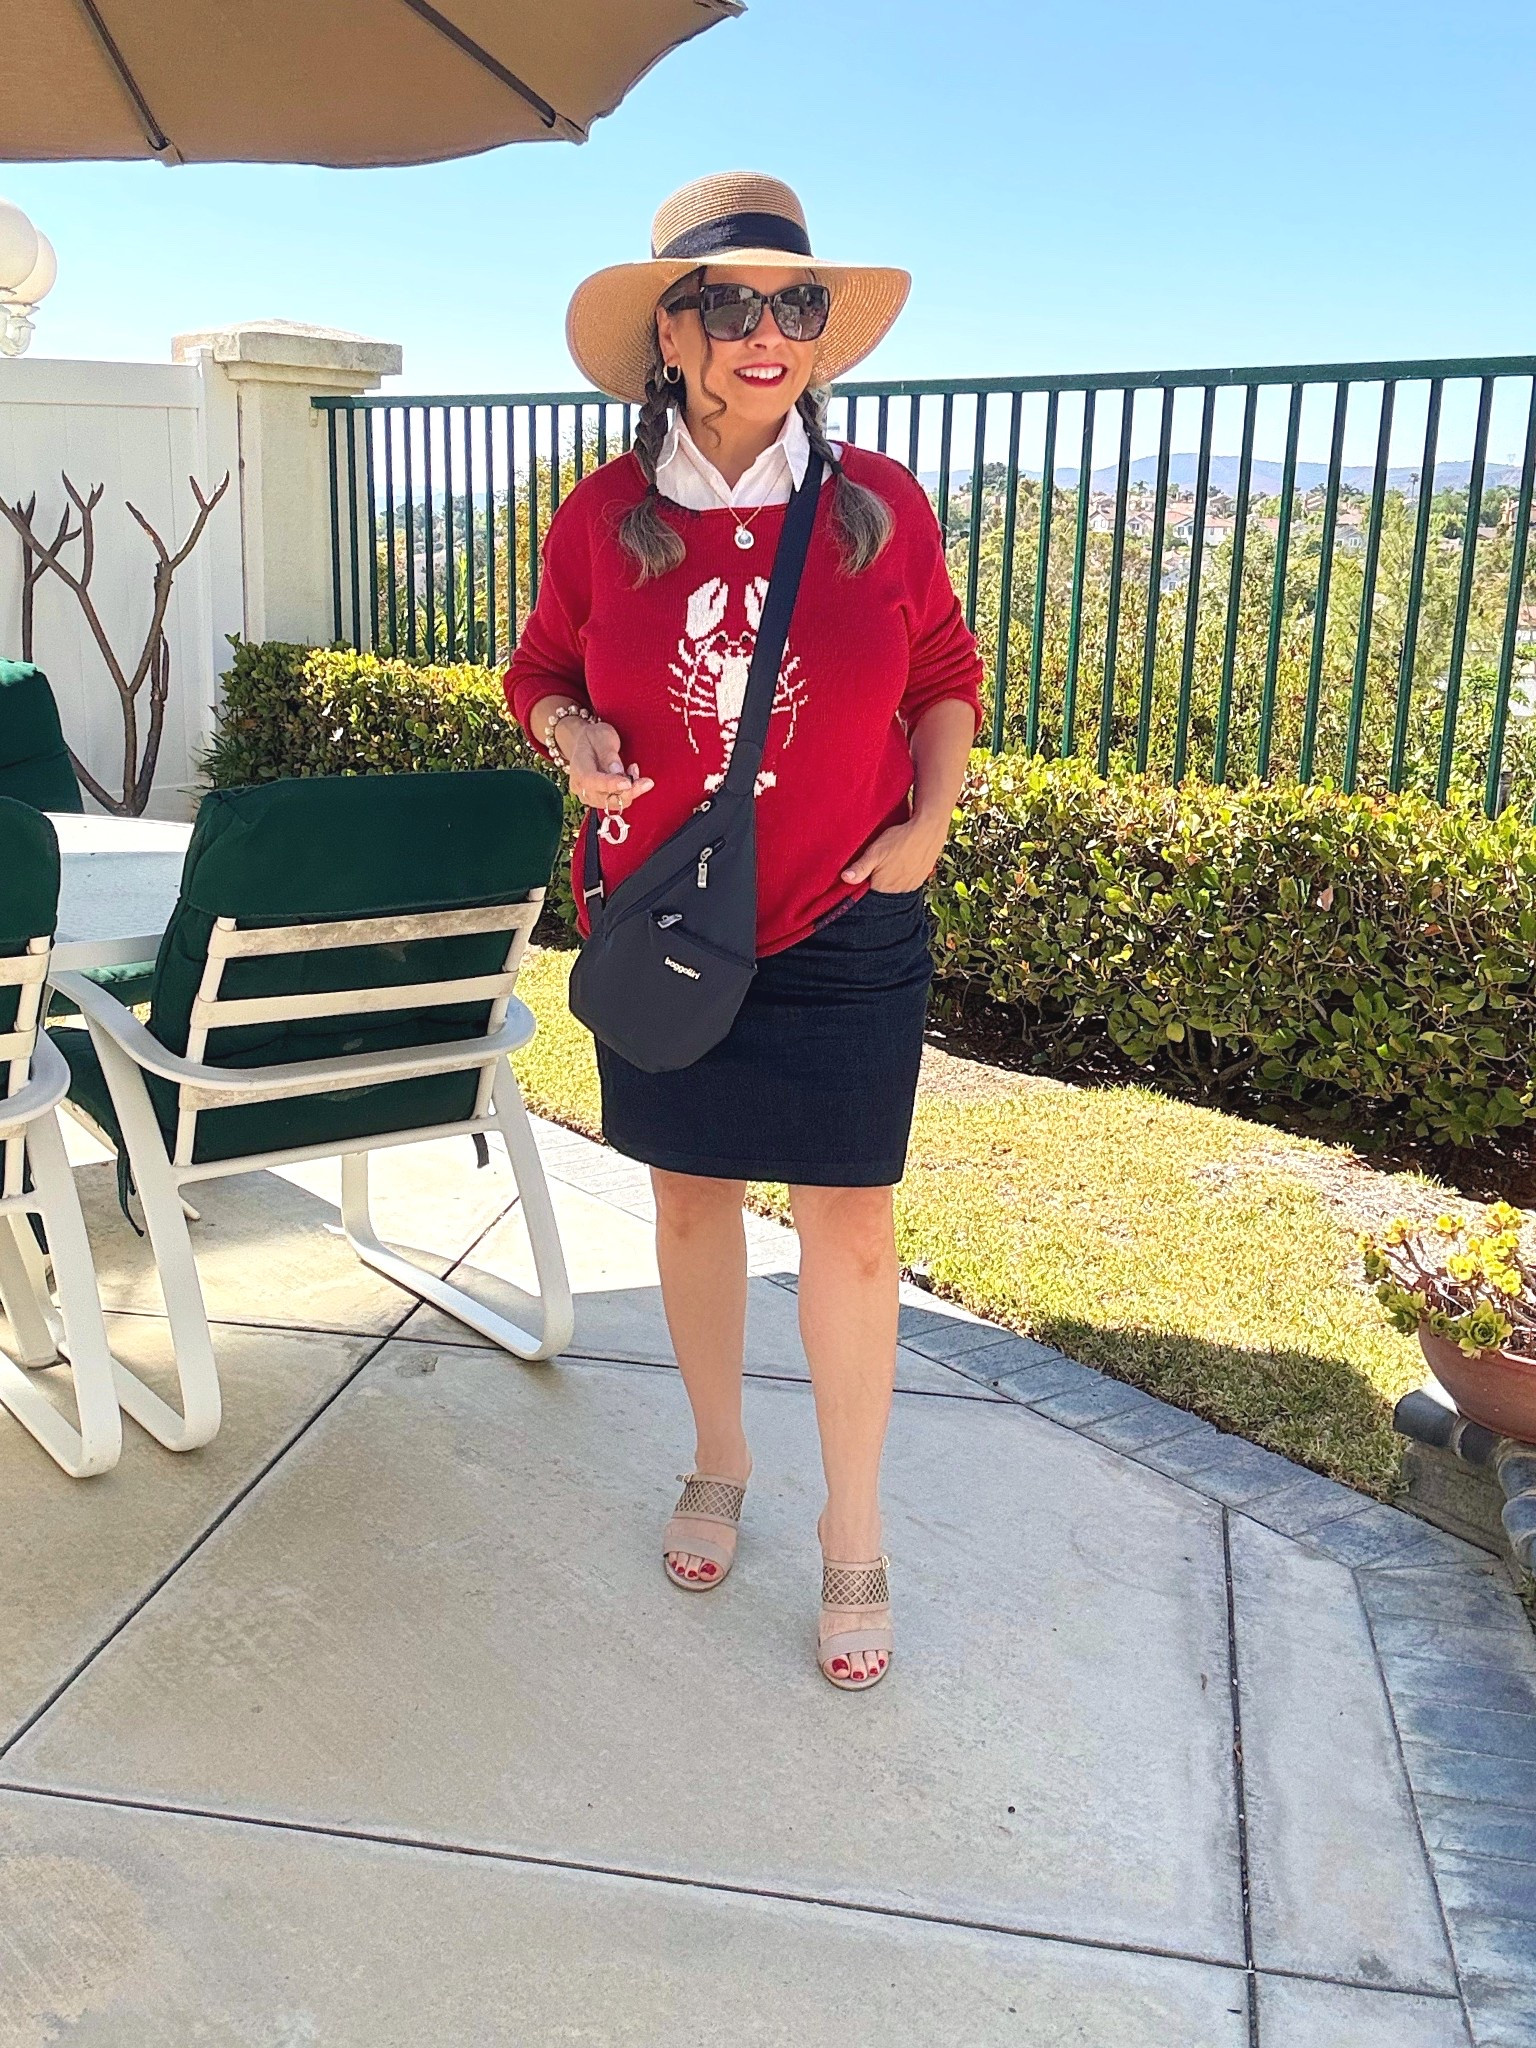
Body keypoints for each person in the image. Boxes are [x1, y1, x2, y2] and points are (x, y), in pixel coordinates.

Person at [506, 171, 982, 1691]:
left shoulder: (877, 507)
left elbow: (944, 675)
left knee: (852, 1227)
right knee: (694, 1205)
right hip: (665, 931)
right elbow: (540, 672)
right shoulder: (603, 516)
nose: (766, 333)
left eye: (795, 305)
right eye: (731, 304)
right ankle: (722, 1455)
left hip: (848, 926)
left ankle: (857, 1531)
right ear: (673, 330)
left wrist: (927, 828)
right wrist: (571, 733)